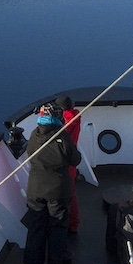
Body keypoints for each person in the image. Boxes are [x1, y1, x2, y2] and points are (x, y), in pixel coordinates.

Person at [22, 103, 80, 264]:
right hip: (57, 190)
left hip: (35, 189)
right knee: (57, 227)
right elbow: (75, 159)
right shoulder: (62, 137)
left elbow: (30, 152)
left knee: (36, 227)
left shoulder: (34, 135)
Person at [57, 95, 82, 235]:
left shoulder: (65, 122)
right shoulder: (75, 118)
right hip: (71, 164)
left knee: (61, 195)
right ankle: (73, 224)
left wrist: (43, 115)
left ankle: (63, 224)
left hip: (62, 164)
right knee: (71, 195)